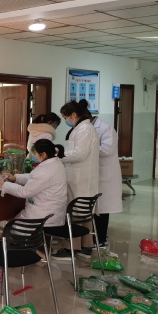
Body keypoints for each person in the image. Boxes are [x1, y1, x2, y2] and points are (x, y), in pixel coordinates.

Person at [0, 140, 68, 262]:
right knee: (14, 225)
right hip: (52, 211)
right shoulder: (55, 164)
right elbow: (32, 177)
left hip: (44, 214)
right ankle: (34, 252)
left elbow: (25, 192)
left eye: (35, 153)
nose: (33, 156)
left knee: (10, 229)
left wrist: (4, 185)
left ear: (43, 154)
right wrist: (15, 178)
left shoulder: (45, 171)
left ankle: (35, 254)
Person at [53, 100, 100, 261]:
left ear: (73, 115)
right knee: (83, 212)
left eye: (66, 117)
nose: (66, 120)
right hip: (82, 177)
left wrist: (59, 156)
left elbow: (79, 154)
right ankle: (86, 246)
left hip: (80, 177)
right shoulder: (83, 128)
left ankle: (70, 248)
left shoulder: (85, 129)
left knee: (75, 212)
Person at [91, 114, 123, 248]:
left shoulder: (106, 129)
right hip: (94, 172)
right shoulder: (87, 128)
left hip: (105, 174)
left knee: (102, 208)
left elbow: (107, 150)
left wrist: (88, 150)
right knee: (95, 207)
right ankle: (95, 237)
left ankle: (101, 239)